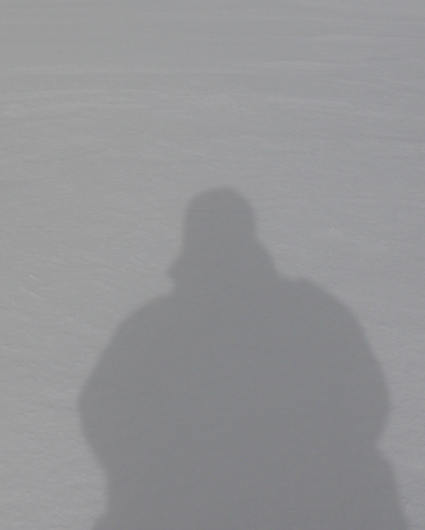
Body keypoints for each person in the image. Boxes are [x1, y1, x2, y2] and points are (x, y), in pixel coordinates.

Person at [80, 188, 406, 530]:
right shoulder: (312, 312)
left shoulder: (152, 326)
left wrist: (148, 471)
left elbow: (101, 404)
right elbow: (365, 396)